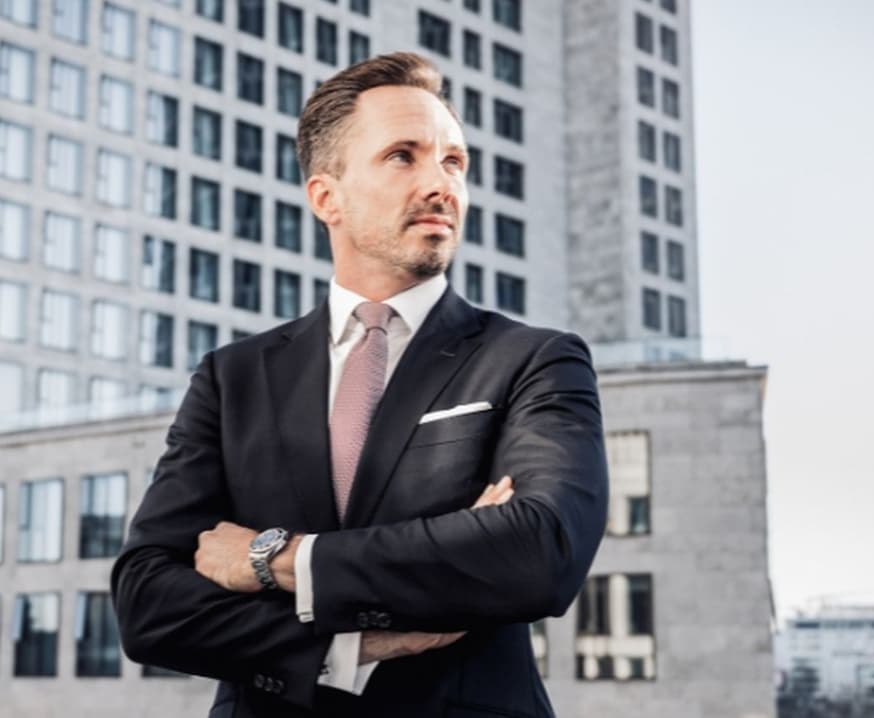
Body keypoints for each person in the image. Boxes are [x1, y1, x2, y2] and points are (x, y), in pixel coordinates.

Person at [111, 51, 608, 718]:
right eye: (404, 156)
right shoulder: (233, 378)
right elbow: (148, 602)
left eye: (453, 161)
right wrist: (358, 644)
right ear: (327, 197)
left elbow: (539, 550)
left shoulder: (534, 360)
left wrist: (275, 560)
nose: (440, 184)